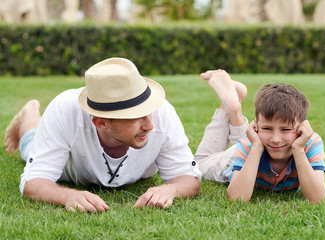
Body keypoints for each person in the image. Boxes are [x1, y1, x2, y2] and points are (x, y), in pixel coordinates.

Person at [4, 57, 201, 212]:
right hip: (67, 169)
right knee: (30, 146)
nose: (150, 125)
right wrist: (67, 196)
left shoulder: (163, 113)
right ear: (101, 122)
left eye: (148, 112)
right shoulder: (64, 110)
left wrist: (170, 189)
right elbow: (33, 183)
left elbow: (189, 177)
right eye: (136, 118)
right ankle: (30, 111)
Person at [195, 70, 325, 203]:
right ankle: (228, 107)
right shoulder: (250, 144)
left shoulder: (310, 143)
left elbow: (317, 198)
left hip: (256, 145)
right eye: (266, 128)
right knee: (200, 164)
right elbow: (237, 198)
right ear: (256, 126)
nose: (276, 139)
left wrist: (298, 150)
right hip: (240, 157)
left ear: (302, 127)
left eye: (286, 129)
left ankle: (233, 107)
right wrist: (256, 147)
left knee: (251, 142)